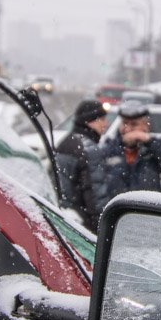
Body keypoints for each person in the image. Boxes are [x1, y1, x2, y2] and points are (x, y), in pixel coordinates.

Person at [96, 100, 161, 202]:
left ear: (145, 126)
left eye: (134, 124)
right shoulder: (109, 148)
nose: (128, 129)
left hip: (146, 212)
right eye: (124, 123)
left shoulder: (152, 149)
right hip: (117, 213)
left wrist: (149, 141)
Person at [55, 99, 108, 232]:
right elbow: (96, 197)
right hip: (84, 225)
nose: (105, 124)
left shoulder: (66, 142)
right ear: (89, 121)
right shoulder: (89, 149)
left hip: (66, 218)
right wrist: (103, 229)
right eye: (101, 119)